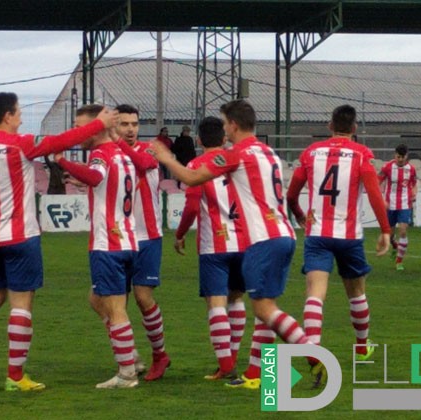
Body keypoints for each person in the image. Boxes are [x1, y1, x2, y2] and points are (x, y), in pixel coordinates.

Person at [0, 92, 117, 391]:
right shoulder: (21, 144)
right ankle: (15, 377)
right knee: (21, 303)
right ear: (7, 116)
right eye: (18, 113)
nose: (21, 118)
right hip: (20, 236)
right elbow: (62, 142)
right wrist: (99, 125)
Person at [152, 99, 313, 390]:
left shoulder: (235, 155)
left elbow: (191, 177)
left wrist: (165, 157)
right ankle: (254, 373)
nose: (225, 130)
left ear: (234, 126)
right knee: (264, 308)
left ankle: (313, 356)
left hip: (261, 240)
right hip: (284, 234)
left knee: (264, 310)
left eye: (226, 124)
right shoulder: (270, 153)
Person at [286, 104, 390, 375]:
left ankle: (314, 347)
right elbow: (374, 193)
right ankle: (361, 345)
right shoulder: (361, 154)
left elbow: (291, 194)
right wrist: (386, 230)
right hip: (349, 237)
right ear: (354, 129)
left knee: (315, 293)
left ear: (329, 126)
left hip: (318, 234)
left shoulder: (310, 154)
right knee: (356, 292)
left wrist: (298, 213)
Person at [55, 104, 141, 388]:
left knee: (115, 308)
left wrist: (62, 161)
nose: (80, 132)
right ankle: (130, 354)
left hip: (109, 243)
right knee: (96, 300)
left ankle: (127, 372)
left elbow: (95, 177)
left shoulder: (100, 153)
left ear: (100, 125)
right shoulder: (123, 154)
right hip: (127, 238)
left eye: (83, 126)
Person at [174, 116, 250, 381]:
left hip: (214, 245)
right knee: (237, 298)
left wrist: (180, 234)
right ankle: (233, 358)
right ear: (225, 138)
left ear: (197, 140)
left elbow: (193, 207)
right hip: (245, 241)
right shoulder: (238, 162)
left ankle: (226, 366)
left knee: (216, 302)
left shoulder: (195, 165)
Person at [113, 104, 171, 381]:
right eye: (124, 124)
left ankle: (159, 354)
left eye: (134, 124)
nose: (130, 129)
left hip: (147, 236)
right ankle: (129, 354)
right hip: (118, 237)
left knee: (143, 297)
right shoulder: (108, 154)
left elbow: (145, 165)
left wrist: (117, 145)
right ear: (115, 126)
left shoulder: (150, 149)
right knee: (106, 300)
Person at [378, 144, 417, 271]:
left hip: (405, 204)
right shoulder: (388, 167)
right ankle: (395, 245)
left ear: (406, 156)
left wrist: (414, 193)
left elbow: (414, 184)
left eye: (402, 157)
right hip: (390, 204)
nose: (400, 159)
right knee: (388, 234)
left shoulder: (411, 169)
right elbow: (377, 182)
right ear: (395, 155)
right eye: (398, 156)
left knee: (403, 231)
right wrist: (382, 200)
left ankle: (399, 261)